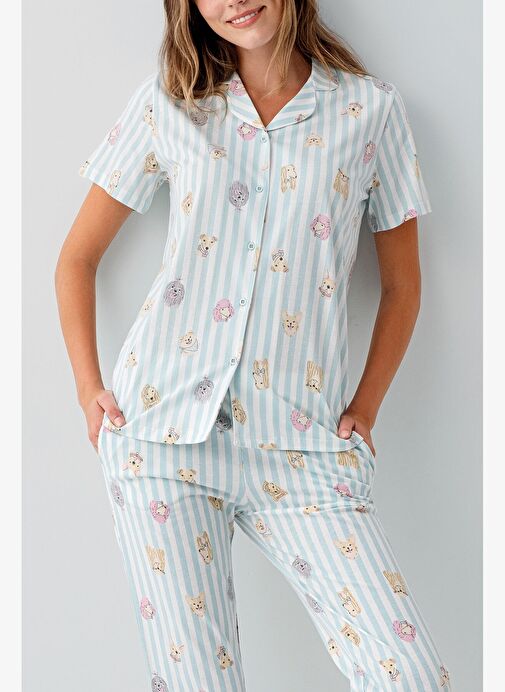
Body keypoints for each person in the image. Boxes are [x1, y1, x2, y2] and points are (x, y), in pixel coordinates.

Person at [55, 1, 451, 690]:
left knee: (409, 674)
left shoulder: (369, 112)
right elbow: (76, 260)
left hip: (303, 446)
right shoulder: (172, 104)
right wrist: (89, 389)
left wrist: (365, 409)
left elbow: (401, 287)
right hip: (161, 438)